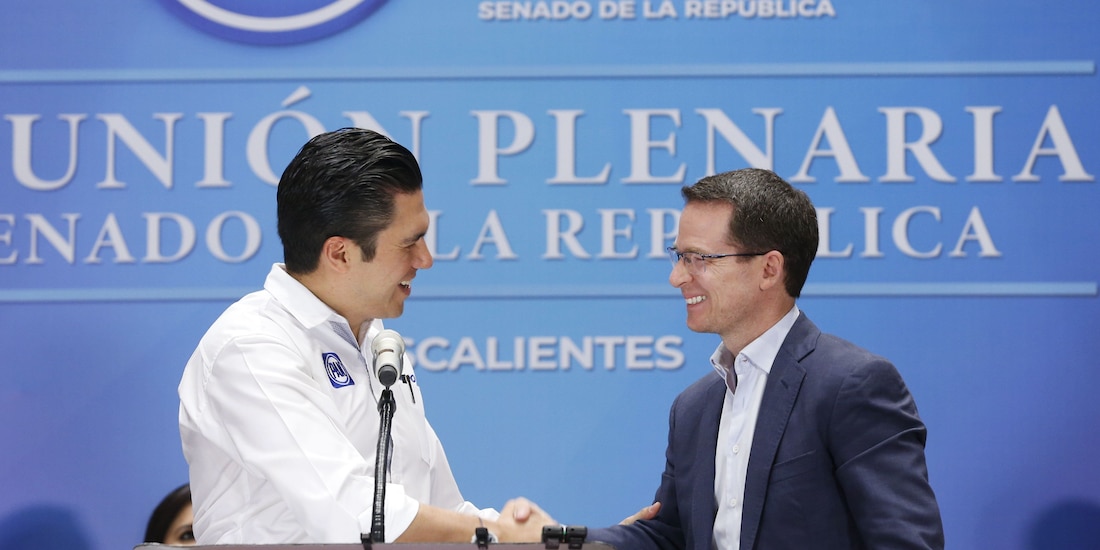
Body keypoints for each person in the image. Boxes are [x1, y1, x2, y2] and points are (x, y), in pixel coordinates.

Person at [178, 128, 554, 544]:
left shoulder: (379, 345)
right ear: (340, 253)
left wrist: (572, 539)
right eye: (409, 243)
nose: (425, 260)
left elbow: (444, 513)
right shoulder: (250, 347)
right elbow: (355, 511)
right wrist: (497, 532)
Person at [589, 168, 944, 549]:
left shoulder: (851, 384)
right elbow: (672, 536)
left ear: (769, 269)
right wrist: (560, 540)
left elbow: (906, 543)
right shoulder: (692, 408)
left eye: (698, 258)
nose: (677, 276)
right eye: (679, 256)